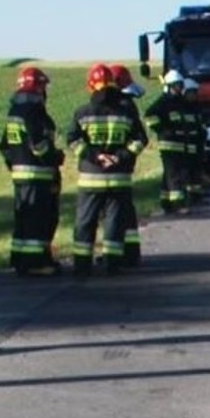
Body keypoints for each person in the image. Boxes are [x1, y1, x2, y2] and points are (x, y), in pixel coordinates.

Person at [68, 64, 147, 276]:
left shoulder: (82, 113)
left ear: (90, 86)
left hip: (90, 178)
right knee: (114, 223)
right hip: (118, 178)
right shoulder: (126, 112)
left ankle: (82, 266)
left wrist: (95, 156)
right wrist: (120, 157)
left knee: (85, 222)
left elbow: (73, 141)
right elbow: (140, 140)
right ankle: (113, 263)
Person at [0, 67, 64, 277]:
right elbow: (38, 145)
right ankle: (36, 262)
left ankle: (20, 259)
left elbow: (4, 146)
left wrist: (13, 164)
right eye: (43, 86)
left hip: (20, 175)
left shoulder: (14, 111)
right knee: (39, 220)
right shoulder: (34, 112)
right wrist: (55, 158)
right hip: (38, 174)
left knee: (23, 218)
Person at [107, 63, 149, 265]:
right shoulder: (127, 104)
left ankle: (120, 254)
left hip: (116, 167)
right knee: (125, 210)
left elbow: (140, 138)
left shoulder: (122, 106)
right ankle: (130, 252)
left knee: (116, 211)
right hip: (123, 166)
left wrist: (121, 156)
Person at [144, 70, 190, 214]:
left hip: (180, 143)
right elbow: (149, 116)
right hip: (168, 143)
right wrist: (162, 130)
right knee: (174, 174)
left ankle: (166, 202)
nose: (180, 88)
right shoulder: (163, 102)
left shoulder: (181, 102)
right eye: (177, 85)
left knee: (169, 174)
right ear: (169, 86)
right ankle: (178, 204)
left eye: (181, 85)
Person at [182, 78, 208, 205]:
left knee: (197, 170)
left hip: (197, 144)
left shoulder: (196, 107)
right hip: (187, 145)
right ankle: (190, 196)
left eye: (195, 92)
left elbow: (200, 124)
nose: (194, 95)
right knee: (188, 171)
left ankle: (197, 195)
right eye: (191, 92)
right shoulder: (182, 108)